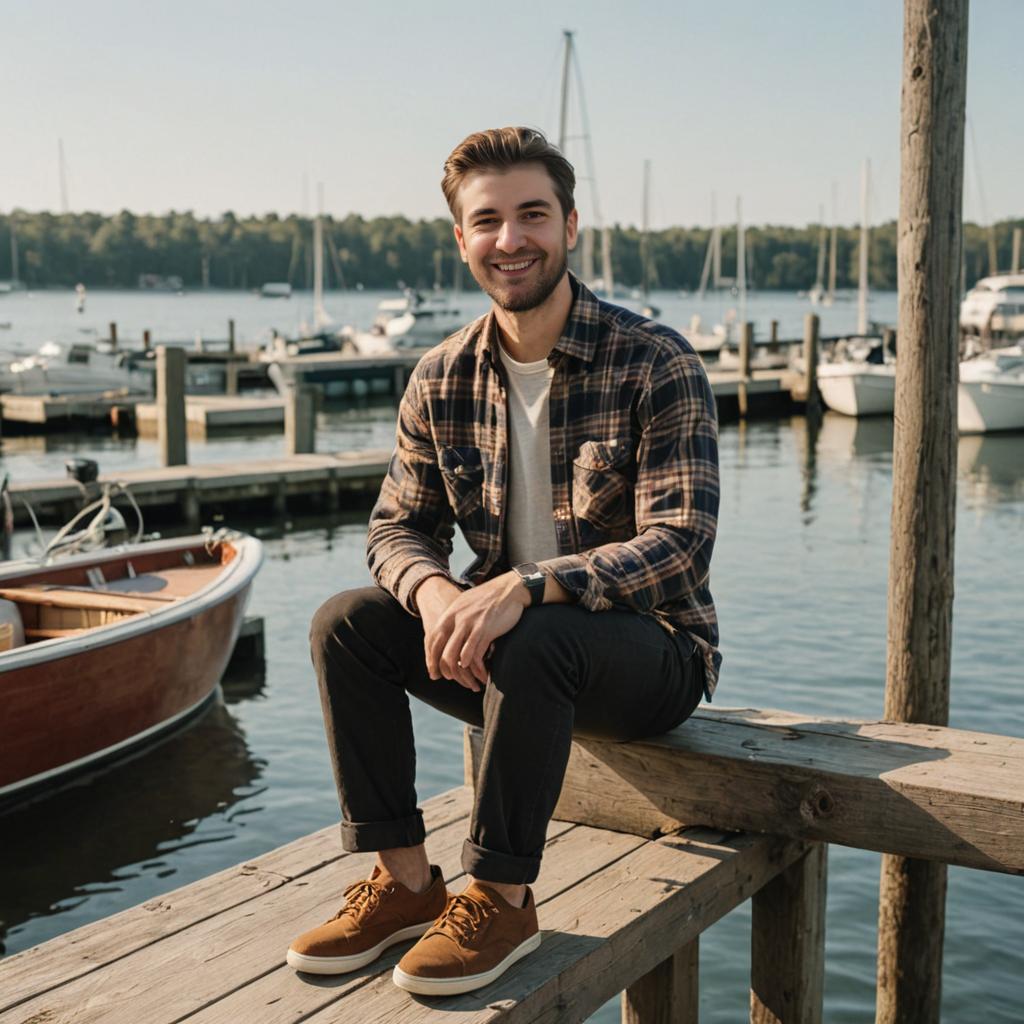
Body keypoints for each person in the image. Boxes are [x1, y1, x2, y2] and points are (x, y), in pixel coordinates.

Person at [287, 126, 721, 997]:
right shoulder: (441, 375)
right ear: (462, 239)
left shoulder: (655, 362)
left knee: (539, 634)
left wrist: (528, 586)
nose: (511, 239)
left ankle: (501, 895)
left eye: (532, 215)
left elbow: (680, 544)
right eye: (488, 221)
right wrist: (440, 591)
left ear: (570, 226)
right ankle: (406, 883)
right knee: (347, 624)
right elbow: (394, 530)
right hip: (503, 659)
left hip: (648, 657)